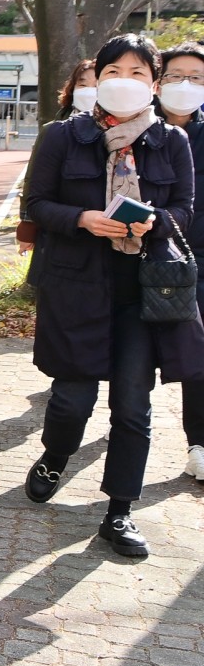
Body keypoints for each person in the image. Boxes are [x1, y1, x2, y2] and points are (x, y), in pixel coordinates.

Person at [22, 33, 204, 557]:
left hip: (141, 294)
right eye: (113, 72)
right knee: (71, 401)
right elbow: (37, 203)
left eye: (138, 73)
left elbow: (186, 208)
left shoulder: (172, 141)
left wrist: (155, 222)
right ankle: (55, 456)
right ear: (97, 78)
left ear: (154, 83)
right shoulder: (62, 136)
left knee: (132, 407)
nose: (125, 81)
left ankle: (119, 511)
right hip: (75, 287)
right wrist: (82, 219)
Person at [156, 42, 204, 484]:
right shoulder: (134, 130)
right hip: (140, 253)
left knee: (197, 351)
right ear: (158, 81)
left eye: (196, 78)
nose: (185, 85)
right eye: (176, 76)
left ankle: (199, 444)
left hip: (195, 258)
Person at [17, 59, 97, 255]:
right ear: (72, 89)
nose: (89, 91)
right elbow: (33, 179)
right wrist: (27, 224)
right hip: (58, 226)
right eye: (82, 84)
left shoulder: (119, 131)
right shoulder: (54, 131)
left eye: (97, 86)